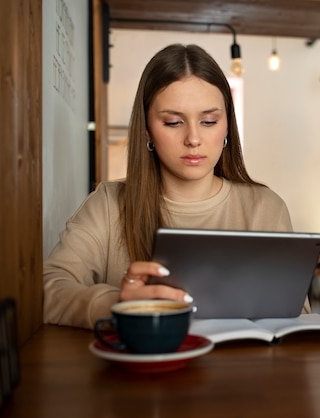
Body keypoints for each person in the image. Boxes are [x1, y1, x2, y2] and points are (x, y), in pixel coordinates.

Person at [44, 44, 299, 329]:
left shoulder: (265, 207)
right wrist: (118, 305)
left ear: (227, 126)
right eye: (173, 122)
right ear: (147, 129)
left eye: (209, 121)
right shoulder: (108, 203)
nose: (193, 138)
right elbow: (47, 289)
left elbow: (293, 313)